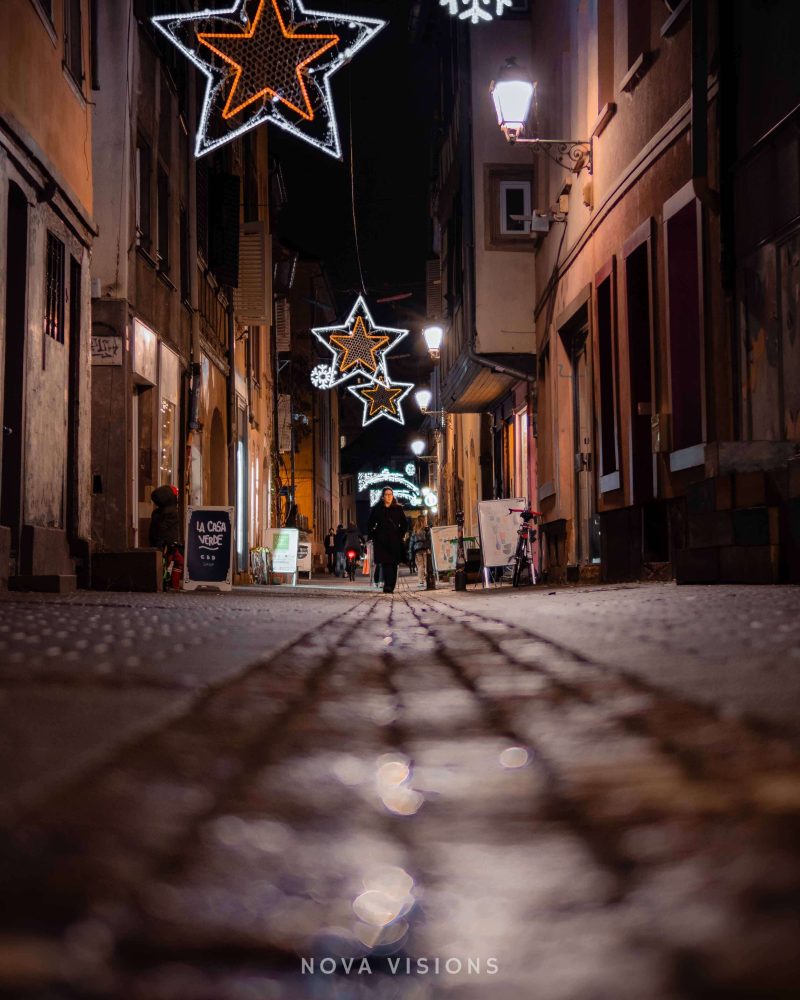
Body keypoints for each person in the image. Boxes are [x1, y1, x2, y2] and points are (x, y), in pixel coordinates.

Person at [367, 487, 408, 594]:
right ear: (383, 496)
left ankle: (391, 585)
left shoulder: (398, 509)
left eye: (390, 494)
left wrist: (400, 534)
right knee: (386, 563)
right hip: (381, 541)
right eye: (387, 494)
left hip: (395, 541)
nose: (389, 496)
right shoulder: (377, 509)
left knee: (394, 564)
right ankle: (387, 585)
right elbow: (370, 523)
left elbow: (404, 524)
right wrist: (374, 534)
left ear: (393, 496)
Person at [149, 484, 183, 590]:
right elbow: (167, 529)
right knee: (177, 562)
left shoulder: (157, 512)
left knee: (167, 562)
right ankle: (173, 584)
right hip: (169, 543)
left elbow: (156, 528)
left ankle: (169, 583)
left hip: (160, 542)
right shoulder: (172, 512)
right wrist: (173, 541)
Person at [412, 515, 430, 589]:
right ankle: (428, 579)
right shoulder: (426, 529)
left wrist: (411, 551)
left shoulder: (415, 530)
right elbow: (428, 539)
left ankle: (421, 581)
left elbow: (412, 541)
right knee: (426, 565)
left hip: (417, 549)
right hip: (425, 549)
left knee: (420, 566)